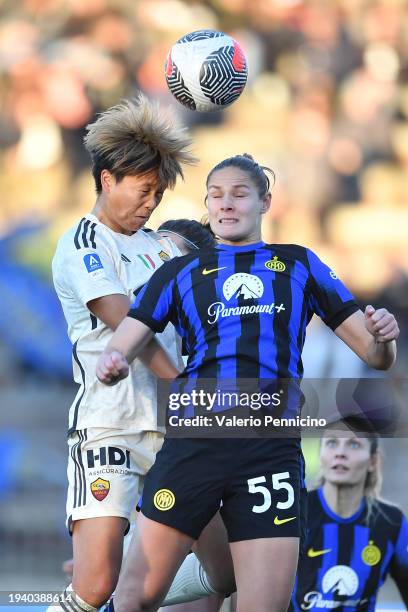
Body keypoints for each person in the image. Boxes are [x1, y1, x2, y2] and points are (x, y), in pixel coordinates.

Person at [96, 153, 399, 612]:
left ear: (265, 202)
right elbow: (126, 341)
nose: (227, 204)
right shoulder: (179, 273)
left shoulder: (299, 264)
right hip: (195, 445)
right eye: (216, 196)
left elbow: (375, 355)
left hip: (268, 451)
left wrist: (385, 338)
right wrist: (114, 362)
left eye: (240, 194)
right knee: (134, 598)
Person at [51, 94, 230, 612]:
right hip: (112, 428)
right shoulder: (83, 243)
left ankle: (137, 585)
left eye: (159, 193)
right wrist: (180, 383)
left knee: (227, 570)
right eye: (144, 190)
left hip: (176, 432)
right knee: (93, 587)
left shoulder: (163, 246)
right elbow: (129, 323)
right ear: (108, 179)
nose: (151, 203)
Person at [289, 420, 408, 611]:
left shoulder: (392, 522)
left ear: (373, 461)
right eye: (332, 443)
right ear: (321, 455)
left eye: (354, 444)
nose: (340, 453)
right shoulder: (293, 512)